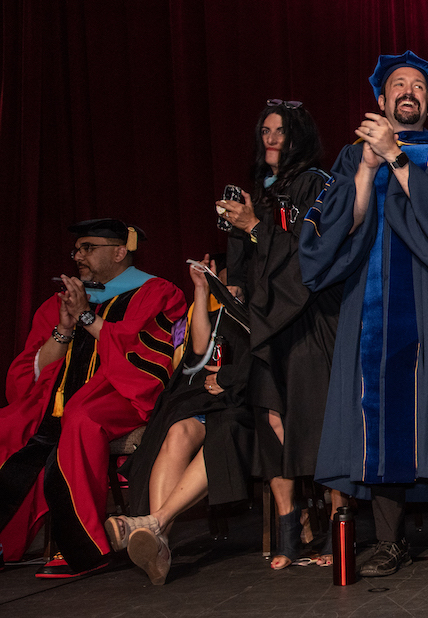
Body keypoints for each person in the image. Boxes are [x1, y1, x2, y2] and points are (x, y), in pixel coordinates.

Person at [300, 51, 428, 577]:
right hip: (373, 303)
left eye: (418, 87)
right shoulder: (351, 158)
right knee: (377, 412)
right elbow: (339, 231)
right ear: (380, 100)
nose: (408, 92)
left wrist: (398, 160)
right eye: (397, 85)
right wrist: (367, 166)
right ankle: (388, 540)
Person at [1, 219, 185, 577]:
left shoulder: (156, 292)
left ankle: (83, 548)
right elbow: (29, 374)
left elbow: (144, 358)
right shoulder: (60, 302)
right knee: (8, 425)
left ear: (119, 251)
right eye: (77, 249)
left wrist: (88, 315)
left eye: (88, 248)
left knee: (82, 417)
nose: (78, 256)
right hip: (52, 401)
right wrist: (66, 326)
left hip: (121, 394)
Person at [221, 100, 343, 569]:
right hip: (265, 324)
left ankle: (338, 530)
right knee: (271, 425)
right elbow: (248, 263)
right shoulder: (260, 193)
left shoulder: (316, 185)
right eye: (266, 130)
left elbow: (314, 256)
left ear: (300, 139)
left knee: (318, 423)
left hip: (309, 319)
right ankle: (291, 533)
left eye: (281, 131)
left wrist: (254, 227)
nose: (271, 138)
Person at [106, 254, 254, 585]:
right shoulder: (213, 315)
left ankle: (152, 526)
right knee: (176, 431)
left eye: (235, 286)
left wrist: (229, 378)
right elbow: (200, 352)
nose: (230, 290)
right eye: (223, 285)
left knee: (222, 434)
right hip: (205, 400)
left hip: (243, 401)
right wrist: (201, 290)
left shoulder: (260, 314)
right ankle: (159, 539)